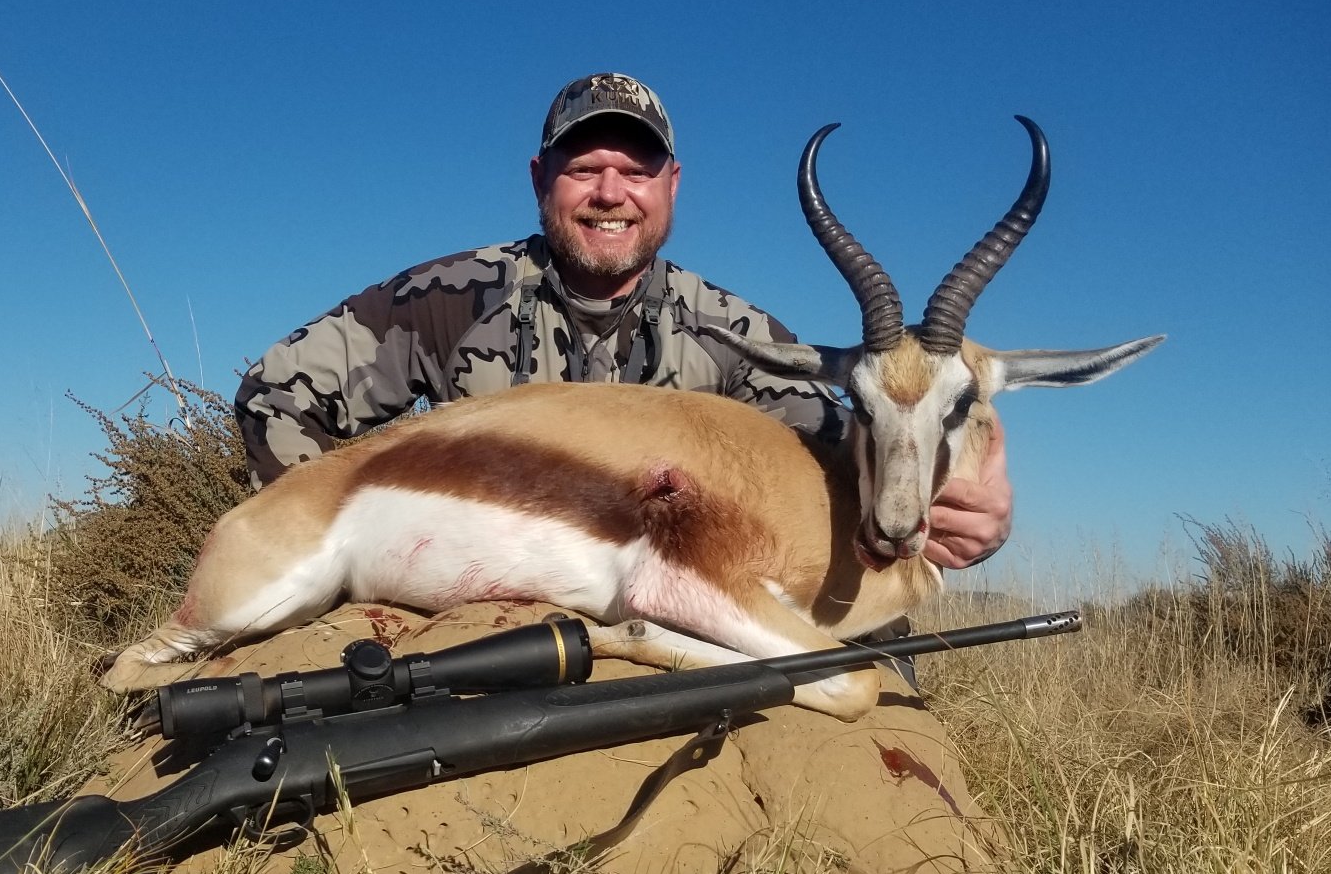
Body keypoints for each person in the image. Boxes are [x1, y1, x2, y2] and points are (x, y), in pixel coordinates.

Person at [233, 73, 1013, 570]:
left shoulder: (731, 335)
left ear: (671, 185)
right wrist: (342, 546)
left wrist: (964, 494)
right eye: (583, 167)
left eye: (636, 170)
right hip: (473, 592)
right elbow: (275, 393)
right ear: (541, 179)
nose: (611, 191)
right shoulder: (448, 298)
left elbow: (848, 459)